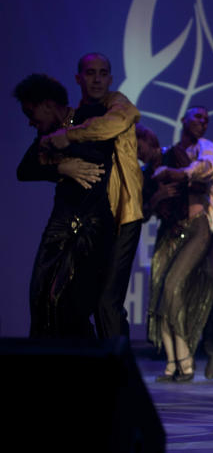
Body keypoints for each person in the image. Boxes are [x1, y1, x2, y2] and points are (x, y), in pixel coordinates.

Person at [40, 53, 143, 340]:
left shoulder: (117, 106)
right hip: (89, 222)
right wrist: (58, 161)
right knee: (75, 301)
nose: (97, 79)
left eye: (103, 73)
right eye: (90, 73)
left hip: (124, 214)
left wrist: (70, 137)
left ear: (111, 78)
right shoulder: (75, 117)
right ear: (78, 78)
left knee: (106, 302)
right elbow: (40, 157)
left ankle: (120, 377)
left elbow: (118, 122)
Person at [14, 74, 114, 338]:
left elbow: (99, 162)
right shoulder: (46, 136)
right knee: (40, 297)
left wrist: (67, 145)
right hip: (59, 224)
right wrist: (60, 167)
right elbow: (23, 170)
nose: (30, 121)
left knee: (70, 304)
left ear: (47, 104)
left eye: (31, 112)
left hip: (92, 226)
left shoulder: (87, 121)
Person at [146, 107, 213, 382]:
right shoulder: (167, 154)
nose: (203, 122)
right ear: (183, 120)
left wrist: (177, 174)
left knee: (173, 286)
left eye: (206, 119)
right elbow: (149, 199)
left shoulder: (205, 149)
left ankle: (186, 356)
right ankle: (173, 362)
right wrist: (158, 196)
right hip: (169, 231)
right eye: (197, 116)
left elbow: (208, 169)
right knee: (160, 293)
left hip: (196, 228)